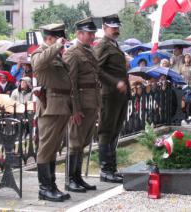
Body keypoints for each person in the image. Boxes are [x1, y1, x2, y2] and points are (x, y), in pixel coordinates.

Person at [31, 23, 71, 202]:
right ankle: (44, 188)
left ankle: (52, 185)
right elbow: (38, 64)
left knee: (54, 147)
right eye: (59, 39)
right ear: (50, 38)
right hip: (50, 107)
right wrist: (56, 46)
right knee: (46, 147)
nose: (62, 43)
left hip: (62, 105)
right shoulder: (39, 53)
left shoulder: (56, 56)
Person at [63, 17, 99, 192]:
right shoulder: (72, 53)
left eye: (93, 34)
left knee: (83, 141)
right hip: (80, 105)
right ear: (79, 34)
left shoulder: (88, 51)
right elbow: (71, 84)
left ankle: (77, 177)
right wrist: (74, 109)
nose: (92, 37)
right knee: (75, 141)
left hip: (91, 103)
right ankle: (70, 179)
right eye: (89, 34)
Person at [94, 14, 129, 183]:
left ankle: (112, 169)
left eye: (117, 27)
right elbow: (96, 69)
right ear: (104, 28)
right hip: (109, 94)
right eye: (112, 27)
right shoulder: (102, 45)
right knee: (106, 131)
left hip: (119, 95)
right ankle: (106, 170)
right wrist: (115, 83)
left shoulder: (114, 44)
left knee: (115, 130)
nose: (116, 30)